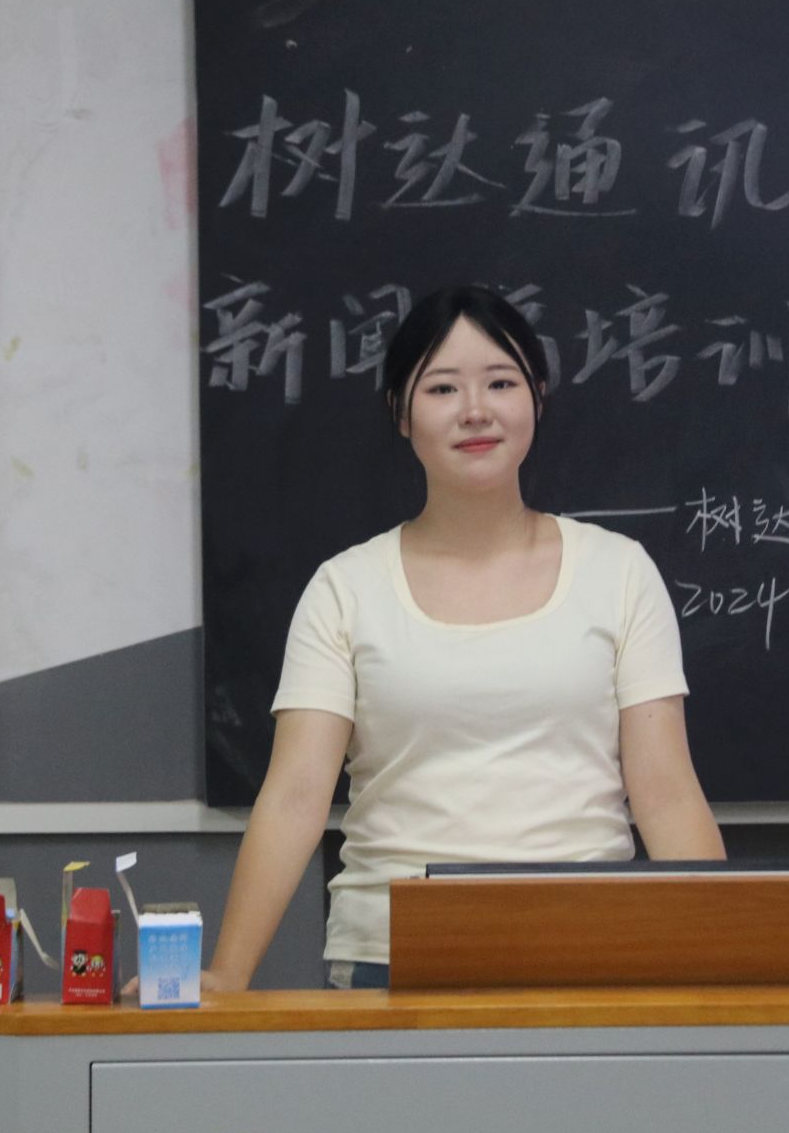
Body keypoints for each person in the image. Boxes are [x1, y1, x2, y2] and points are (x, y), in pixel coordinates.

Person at [207, 285, 724, 992]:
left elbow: (666, 795)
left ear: (537, 396)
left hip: (592, 954)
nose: (475, 410)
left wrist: (726, 970)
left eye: (501, 383)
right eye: (443, 387)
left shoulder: (620, 571)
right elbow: (296, 797)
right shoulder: (345, 588)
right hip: (390, 959)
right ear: (401, 412)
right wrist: (227, 976)